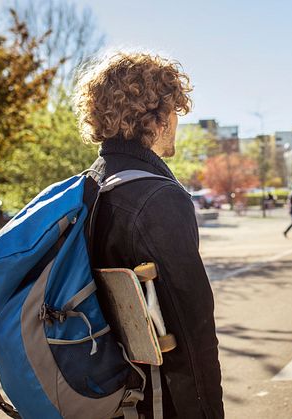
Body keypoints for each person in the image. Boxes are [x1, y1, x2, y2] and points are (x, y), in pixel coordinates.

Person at [78, 51, 224, 418]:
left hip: (108, 392)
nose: (177, 121)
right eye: (175, 109)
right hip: (157, 401)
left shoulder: (89, 187)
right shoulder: (158, 199)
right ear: (156, 117)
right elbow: (192, 332)